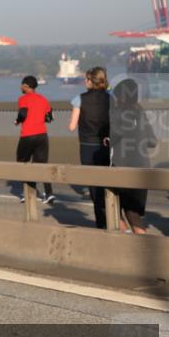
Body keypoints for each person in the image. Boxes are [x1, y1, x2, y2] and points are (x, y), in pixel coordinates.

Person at [110, 78, 156, 235]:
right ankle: (138, 242)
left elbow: (113, 136)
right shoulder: (140, 112)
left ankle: (129, 244)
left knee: (112, 207)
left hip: (123, 166)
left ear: (120, 97)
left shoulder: (117, 112)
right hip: (143, 168)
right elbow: (152, 141)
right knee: (134, 212)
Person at [69, 66, 112, 229]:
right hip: (106, 144)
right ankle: (113, 219)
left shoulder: (79, 99)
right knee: (108, 182)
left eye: (86, 79)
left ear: (90, 81)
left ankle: (101, 223)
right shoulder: (111, 98)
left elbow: (72, 126)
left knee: (94, 186)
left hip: (87, 146)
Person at [14, 75, 55, 204]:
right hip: (42, 135)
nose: (20, 87)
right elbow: (49, 117)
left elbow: (23, 113)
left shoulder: (23, 98)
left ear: (26, 86)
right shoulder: (43, 99)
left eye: (22, 85)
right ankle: (49, 194)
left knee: (22, 163)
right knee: (42, 165)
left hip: (28, 135)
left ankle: (28, 193)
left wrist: (17, 120)